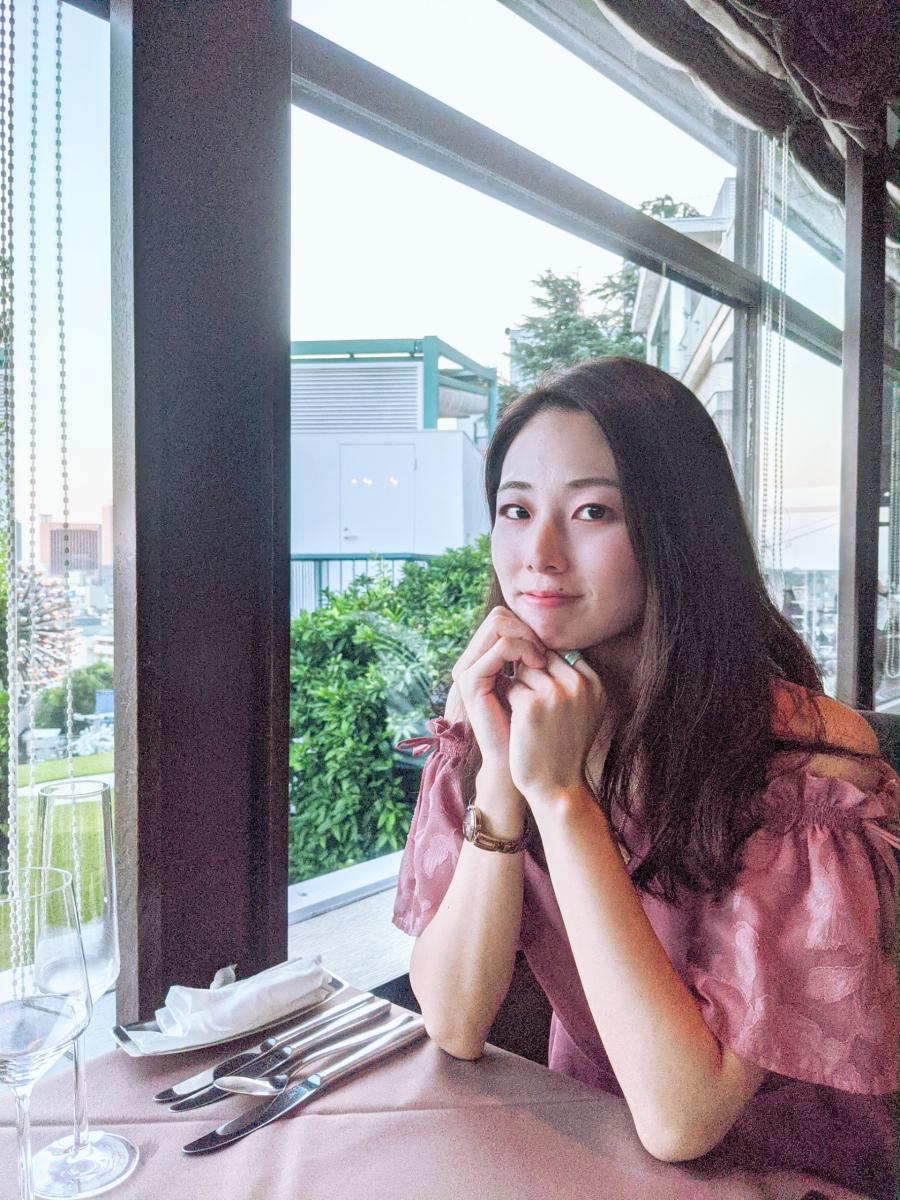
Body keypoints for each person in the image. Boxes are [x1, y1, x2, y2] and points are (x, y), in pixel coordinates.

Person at [392, 358, 899, 1200]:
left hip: (784, 1170)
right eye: (516, 510)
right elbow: (452, 1017)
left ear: (677, 530)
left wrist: (564, 802)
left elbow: (683, 1119)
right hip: (592, 1148)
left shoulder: (803, 772)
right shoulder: (503, 715)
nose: (539, 555)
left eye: (593, 511)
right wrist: (502, 778)